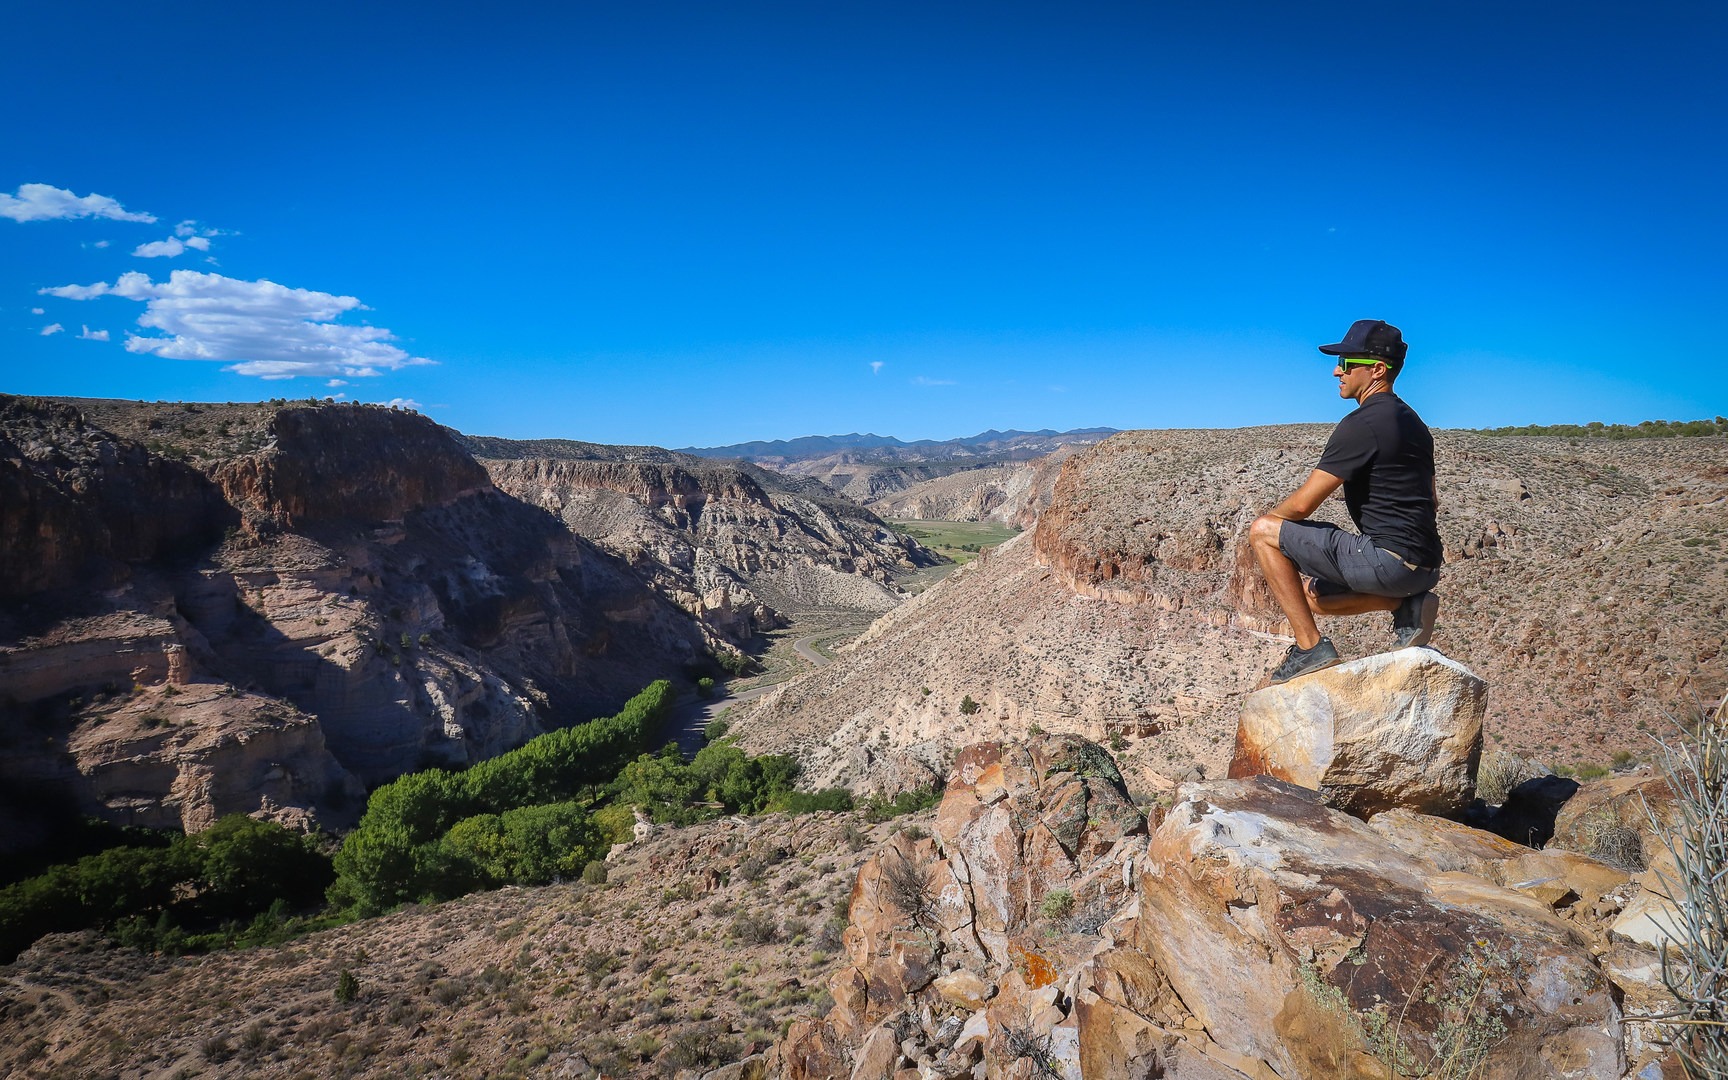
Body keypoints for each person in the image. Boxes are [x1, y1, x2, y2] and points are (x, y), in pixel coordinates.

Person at [1247, 319, 1443, 684]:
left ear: (1377, 370)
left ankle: (1310, 649)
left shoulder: (1362, 423)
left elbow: (1304, 505)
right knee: (1312, 596)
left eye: (1348, 363)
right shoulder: (1414, 423)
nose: (1337, 370)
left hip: (1391, 561)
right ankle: (1406, 604)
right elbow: (1431, 499)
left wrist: (1269, 527)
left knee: (1262, 532)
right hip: (1425, 566)